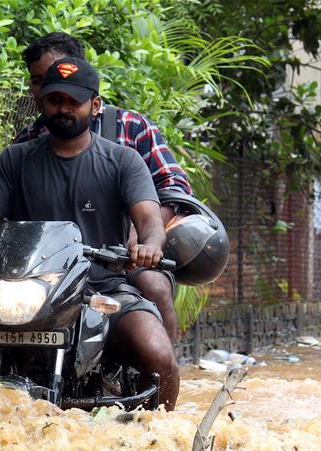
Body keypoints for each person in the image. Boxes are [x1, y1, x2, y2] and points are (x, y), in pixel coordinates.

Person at [0, 56, 179, 411]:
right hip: (25, 292)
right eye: (55, 99)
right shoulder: (15, 160)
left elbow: (149, 219)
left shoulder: (123, 161)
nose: (63, 108)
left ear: (95, 105)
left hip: (102, 289)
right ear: (42, 101)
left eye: (74, 101)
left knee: (157, 353)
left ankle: (162, 441)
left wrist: (149, 246)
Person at [17, 32, 191, 341]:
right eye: (37, 81)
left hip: (122, 263)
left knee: (154, 286)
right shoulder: (25, 144)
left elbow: (174, 187)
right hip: (47, 267)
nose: (46, 87)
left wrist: (141, 242)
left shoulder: (131, 128)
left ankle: (160, 373)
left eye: (53, 75)